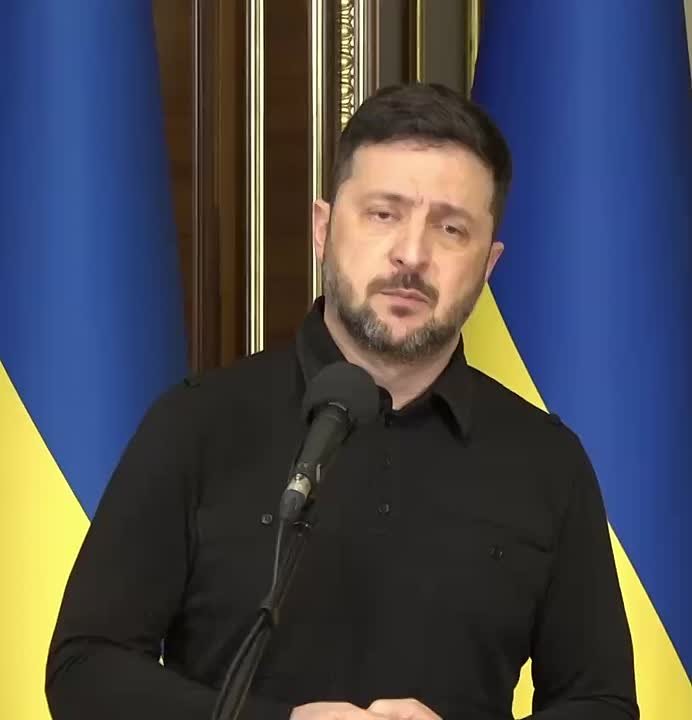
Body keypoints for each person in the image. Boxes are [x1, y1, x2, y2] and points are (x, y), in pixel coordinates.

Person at [46, 83, 638, 720]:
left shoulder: (546, 461)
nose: (412, 255)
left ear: (488, 264)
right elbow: (85, 671)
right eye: (383, 214)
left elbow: (602, 702)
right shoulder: (197, 424)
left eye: (451, 228)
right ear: (323, 229)